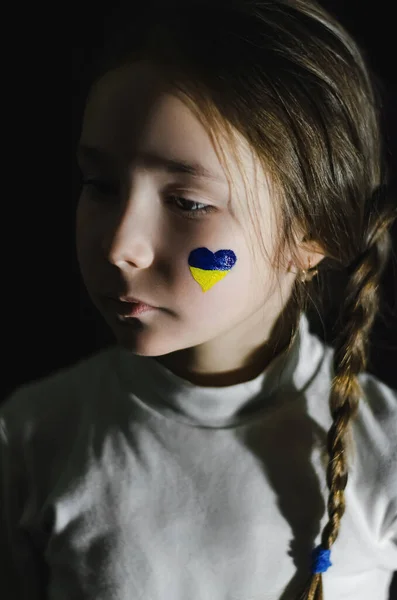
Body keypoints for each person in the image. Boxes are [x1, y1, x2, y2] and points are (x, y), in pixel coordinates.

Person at [1, 0, 396, 598]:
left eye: (188, 202)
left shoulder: (385, 449)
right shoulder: (33, 439)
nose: (119, 247)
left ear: (310, 233)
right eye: (100, 186)